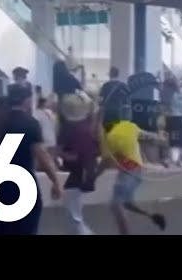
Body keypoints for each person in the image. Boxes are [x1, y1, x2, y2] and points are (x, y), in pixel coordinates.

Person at [0, 87, 63, 235]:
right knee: (26, 229)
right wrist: (56, 181)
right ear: (27, 100)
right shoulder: (30, 123)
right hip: (24, 187)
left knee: (1, 229)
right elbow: (42, 156)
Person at [96, 119, 167, 235]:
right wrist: (162, 140)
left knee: (116, 205)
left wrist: (92, 177)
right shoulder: (129, 126)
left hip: (128, 172)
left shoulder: (106, 136)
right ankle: (152, 216)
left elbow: (106, 162)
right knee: (126, 203)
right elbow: (150, 138)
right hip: (136, 172)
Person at [58, 92, 99, 235]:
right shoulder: (85, 127)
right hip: (87, 172)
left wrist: (60, 155)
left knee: (75, 218)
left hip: (73, 175)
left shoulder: (67, 128)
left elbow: (65, 153)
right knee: (75, 215)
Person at [34, 98, 58, 170]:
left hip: (43, 140)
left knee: (41, 161)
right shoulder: (50, 113)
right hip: (51, 139)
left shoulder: (36, 113)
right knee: (50, 160)